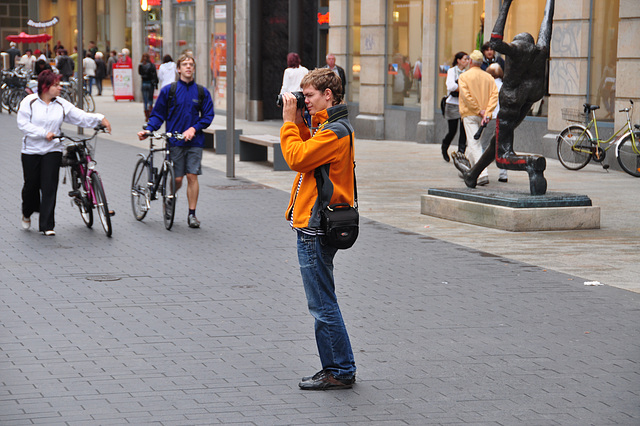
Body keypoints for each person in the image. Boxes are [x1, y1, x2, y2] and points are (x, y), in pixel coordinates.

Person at [279, 67, 357, 391]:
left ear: (328, 95)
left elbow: (297, 157)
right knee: (324, 299)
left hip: (314, 228)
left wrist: (287, 122)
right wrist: (299, 120)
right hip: (320, 224)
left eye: (308, 96)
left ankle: (340, 369)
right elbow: (311, 152)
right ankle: (336, 367)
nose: (304, 101)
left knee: (322, 303)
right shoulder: (332, 127)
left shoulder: (334, 132)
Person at [459, 0, 554, 195]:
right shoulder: (540, 50)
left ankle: (532, 164)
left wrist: (506, 4)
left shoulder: (517, 49)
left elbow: (494, 41)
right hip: (530, 97)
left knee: (503, 155)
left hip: (512, 99)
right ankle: (472, 175)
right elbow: (547, 24)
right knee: (499, 139)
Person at [17, 70, 111, 236]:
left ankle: (47, 225)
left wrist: (100, 118)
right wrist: (43, 133)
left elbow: (79, 116)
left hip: (53, 149)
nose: (60, 87)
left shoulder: (60, 104)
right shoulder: (29, 102)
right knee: (31, 186)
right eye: (56, 85)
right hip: (31, 150)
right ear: (45, 87)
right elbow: (23, 124)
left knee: (49, 186)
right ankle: (27, 212)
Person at [137, 53, 214, 228]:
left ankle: (192, 214)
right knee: (178, 179)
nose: (188, 67)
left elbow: (208, 116)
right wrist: (148, 130)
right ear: (178, 69)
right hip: (175, 141)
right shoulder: (169, 91)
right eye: (185, 64)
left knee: (192, 176)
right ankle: (170, 198)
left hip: (195, 142)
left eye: (191, 65)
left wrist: (194, 128)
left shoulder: (202, 92)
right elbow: (158, 115)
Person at [456, 49, 498, 186]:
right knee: (474, 142)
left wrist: (479, 110)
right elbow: (494, 96)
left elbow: (466, 97)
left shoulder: (464, 77)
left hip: (470, 114)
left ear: (471, 62)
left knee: (474, 144)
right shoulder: (489, 77)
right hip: (483, 116)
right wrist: (487, 113)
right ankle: (467, 168)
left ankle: (482, 173)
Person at [441, 51, 469, 162]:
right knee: (452, 131)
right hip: (453, 104)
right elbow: (450, 85)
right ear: (458, 60)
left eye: (467, 59)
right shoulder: (452, 71)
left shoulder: (468, 72)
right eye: (464, 59)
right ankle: (444, 147)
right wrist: (464, 89)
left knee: (464, 131)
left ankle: (460, 154)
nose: (466, 61)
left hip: (464, 105)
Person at [486, 63, 508, 183]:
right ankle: (503, 174)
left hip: (491, 117)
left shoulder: (488, 86)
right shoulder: (504, 86)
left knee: (484, 145)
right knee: (502, 146)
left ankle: (482, 171)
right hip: (502, 119)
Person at [138, 53, 158, 121]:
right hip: (150, 83)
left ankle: (146, 115)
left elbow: (140, 73)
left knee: (145, 100)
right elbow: (154, 75)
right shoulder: (152, 65)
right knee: (150, 100)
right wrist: (156, 84)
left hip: (144, 83)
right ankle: (150, 113)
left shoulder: (141, 65)